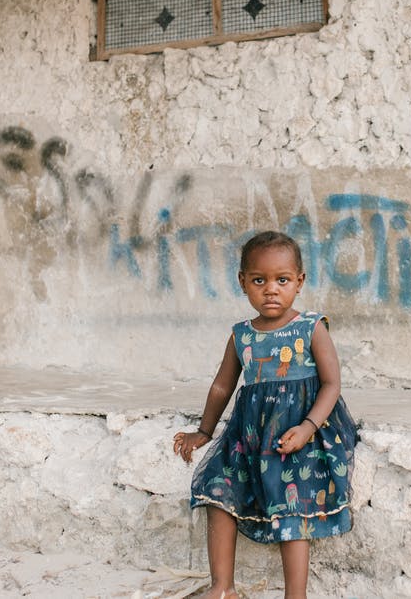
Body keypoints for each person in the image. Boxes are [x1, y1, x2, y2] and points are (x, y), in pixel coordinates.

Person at [173, 231, 358, 599]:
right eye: (259, 280)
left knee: (293, 502)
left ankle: (296, 594)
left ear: (299, 282)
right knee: (217, 490)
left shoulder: (311, 328)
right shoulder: (241, 335)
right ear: (243, 283)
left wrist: (307, 428)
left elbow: (332, 384)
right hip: (250, 435)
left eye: (282, 280)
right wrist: (205, 431)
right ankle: (222, 587)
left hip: (300, 432)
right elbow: (222, 387)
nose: (271, 289)